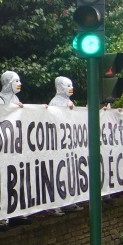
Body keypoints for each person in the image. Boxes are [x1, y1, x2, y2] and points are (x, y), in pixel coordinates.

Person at [0, 72, 31, 230]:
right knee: (2, 183)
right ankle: (0, 218)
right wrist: (10, 110)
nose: (19, 83)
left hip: (15, 148)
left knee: (16, 181)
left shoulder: (16, 99)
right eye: (16, 81)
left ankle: (17, 213)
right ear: (8, 83)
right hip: (2, 150)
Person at [47, 77, 83, 216]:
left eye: (72, 85)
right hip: (58, 147)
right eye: (68, 85)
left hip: (69, 146)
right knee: (57, 176)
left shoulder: (69, 102)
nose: (71, 88)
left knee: (69, 175)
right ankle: (54, 205)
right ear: (61, 87)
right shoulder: (55, 103)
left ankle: (68, 201)